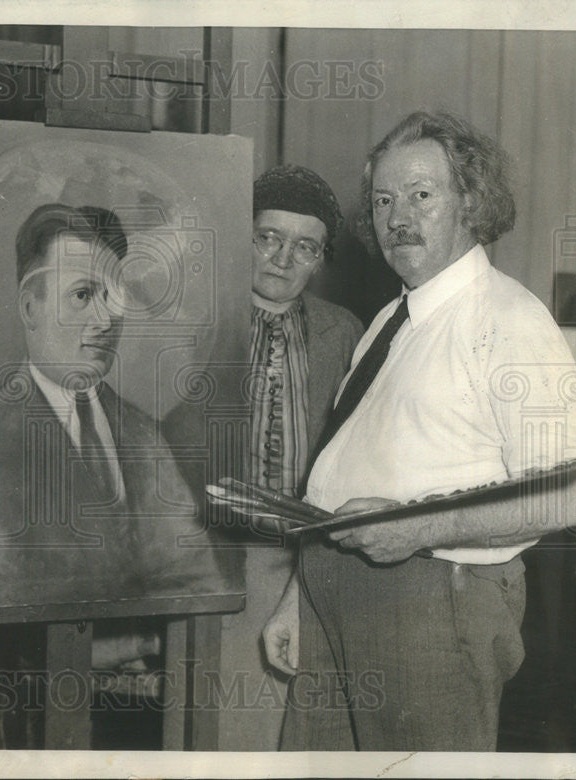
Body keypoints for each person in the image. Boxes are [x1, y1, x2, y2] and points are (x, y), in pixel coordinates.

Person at [263, 110, 576, 751]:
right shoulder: (393, 316)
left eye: (421, 195)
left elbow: (564, 494)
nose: (397, 217)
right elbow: (344, 466)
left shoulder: (509, 318)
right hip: (336, 594)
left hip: (432, 600)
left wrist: (415, 526)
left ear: (470, 202)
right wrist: (300, 597)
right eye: (383, 200)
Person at [0, 204, 229, 747]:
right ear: (29, 306)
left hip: (147, 719)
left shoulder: (140, 435)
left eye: (116, 297)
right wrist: (129, 644)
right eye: (83, 295)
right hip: (28, 723)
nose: (105, 319)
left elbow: (192, 575)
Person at [217, 166, 363, 750]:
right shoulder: (204, 318)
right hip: (214, 555)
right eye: (267, 238)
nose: (282, 258)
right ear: (241, 237)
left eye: (305, 246)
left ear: (322, 258)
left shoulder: (344, 332)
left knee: (292, 727)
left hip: (303, 562)